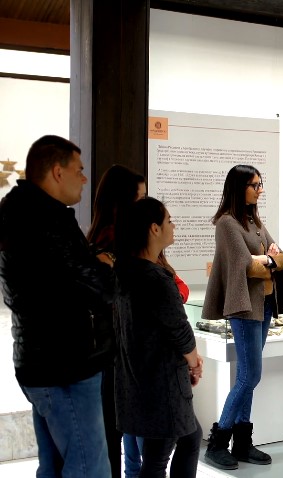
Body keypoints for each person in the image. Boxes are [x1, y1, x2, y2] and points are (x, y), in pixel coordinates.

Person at [0, 135, 113, 477]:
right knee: (88, 465)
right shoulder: (43, 221)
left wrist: (97, 264)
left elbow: (72, 275)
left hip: (46, 360)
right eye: (78, 170)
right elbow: (92, 283)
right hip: (65, 365)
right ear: (56, 171)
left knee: (55, 464)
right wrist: (105, 267)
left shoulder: (27, 213)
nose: (84, 178)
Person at [87, 165, 190, 478]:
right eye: (140, 197)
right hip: (127, 356)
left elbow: (177, 288)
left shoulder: (118, 250)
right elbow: (169, 294)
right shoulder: (115, 251)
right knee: (144, 446)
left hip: (126, 355)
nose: (146, 204)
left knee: (141, 443)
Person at [202, 165, 283, 470]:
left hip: (264, 305)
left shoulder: (254, 221)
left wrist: (268, 258)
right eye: (255, 185)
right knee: (249, 376)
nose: (260, 190)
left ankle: (242, 442)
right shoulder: (227, 224)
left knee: (249, 376)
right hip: (244, 307)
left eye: (260, 184)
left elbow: (282, 257)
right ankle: (218, 442)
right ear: (239, 187)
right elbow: (246, 267)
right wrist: (266, 260)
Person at [113, 198, 203, 478]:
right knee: (162, 455)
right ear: (154, 229)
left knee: (184, 439)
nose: (173, 226)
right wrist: (194, 361)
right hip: (162, 382)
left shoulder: (123, 271)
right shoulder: (156, 278)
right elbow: (179, 329)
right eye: (169, 221)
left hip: (136, 378)